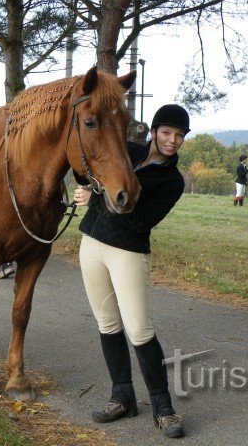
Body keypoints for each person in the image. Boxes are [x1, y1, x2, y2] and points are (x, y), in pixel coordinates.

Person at [73, 104, 188, 439]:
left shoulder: (172, 181)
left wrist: (98, 197)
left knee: (139, 329)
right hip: (91, 244)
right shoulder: (129, 150)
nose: (172, 140)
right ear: (153, 131)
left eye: (179, 135)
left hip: (128, 252)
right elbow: (93, 170)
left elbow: (142, 220)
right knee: (107, 324)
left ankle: (163, 408)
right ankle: (122, 397)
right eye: (167, 132)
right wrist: (89, 187)